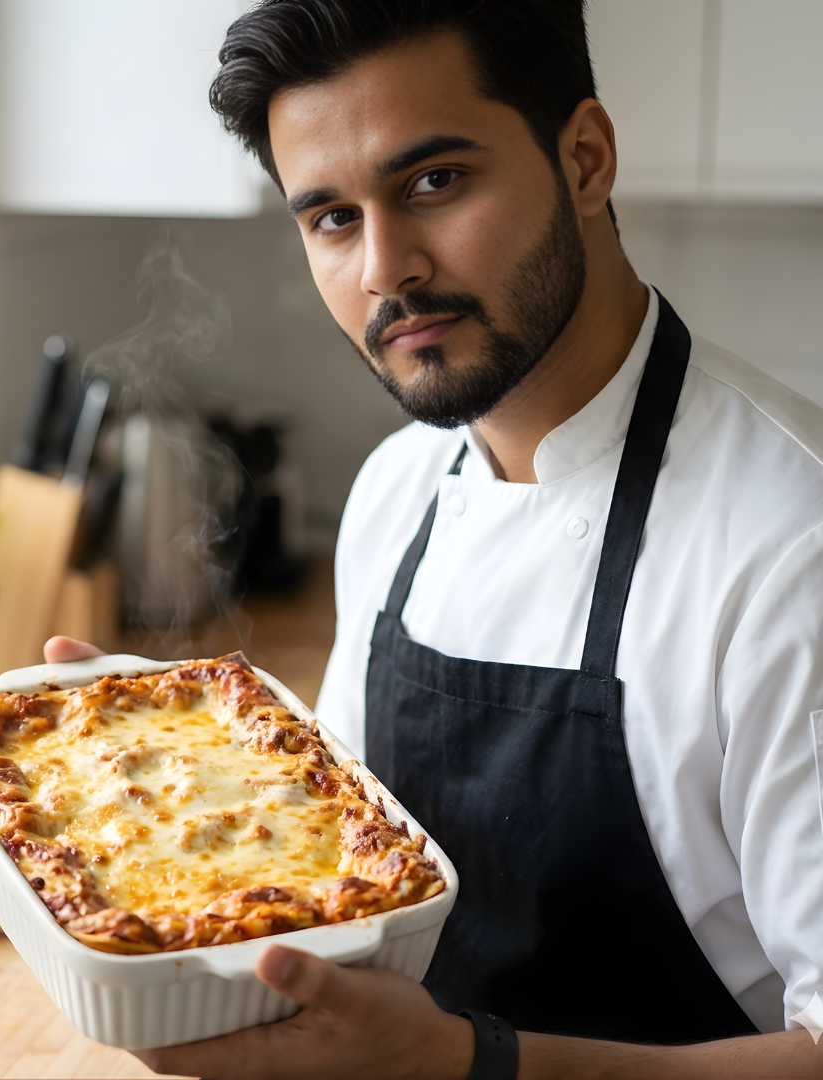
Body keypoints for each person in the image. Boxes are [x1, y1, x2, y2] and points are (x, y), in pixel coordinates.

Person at [45, 1, 823, 1075]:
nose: (384, 269)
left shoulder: (794, 542)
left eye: (433, 183)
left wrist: (472, 1066)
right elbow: (350, 879)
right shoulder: (396, 491)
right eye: (330, 217)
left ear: (585, 160)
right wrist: (141, 783)